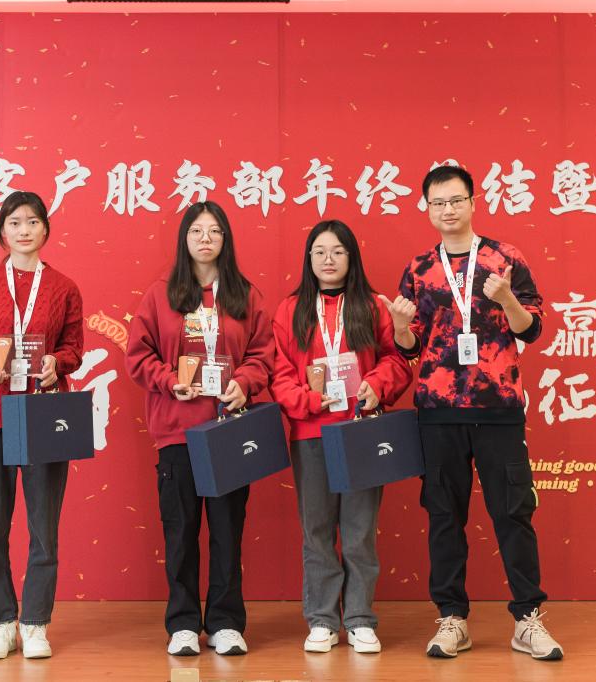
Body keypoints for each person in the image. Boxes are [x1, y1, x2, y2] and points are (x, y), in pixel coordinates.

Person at [379, 165, 564, 660]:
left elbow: (531, 330)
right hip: (438, 410)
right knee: (444, 516)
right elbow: (411, 345)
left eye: (456, 200)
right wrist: (400, 326)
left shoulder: (505, 258)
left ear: (473, 202)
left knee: (514, 513)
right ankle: (452, 618)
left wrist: (506, 299)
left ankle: (527, 619)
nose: (448, 209)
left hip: (498, 407)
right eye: (438, 202)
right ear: (427, 208)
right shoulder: (419, 268)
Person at [125, 201, 273, 657]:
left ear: (226, 239)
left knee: (228, 532)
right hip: (177, 432)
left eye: (214, 231)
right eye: (196, 231)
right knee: (181, 533)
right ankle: (184, 624)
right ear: (184, 239)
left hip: (228, 431)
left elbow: (264, 353)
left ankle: (226, 623)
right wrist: (170, 381)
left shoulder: (244, 295)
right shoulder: (161, 294)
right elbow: (138, 355)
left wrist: (245, 383)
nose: (205, 239)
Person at [0, 191, 84, 660]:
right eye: (14, 222)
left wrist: (56, 363)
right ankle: (0, 622)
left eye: (32, 221)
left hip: (43, 413)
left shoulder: (64, 287)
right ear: (2, 231)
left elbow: (74, 348)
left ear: (46, 228)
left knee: (44, 526)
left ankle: (35, 623)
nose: (24, 230)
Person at [270, 219, 412, 654]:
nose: (328, 260)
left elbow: (397, 359)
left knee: (359, 530)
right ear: (308, 259)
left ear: (352, 257)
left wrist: (377, 385)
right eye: (319, 252)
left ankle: (360, 618)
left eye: (337, 251)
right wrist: (310, 401)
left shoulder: (372, 306)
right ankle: (322, 620)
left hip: (359, 431)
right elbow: (279, 375)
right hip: (311, 433)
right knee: (316, 530)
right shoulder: (290, 310)